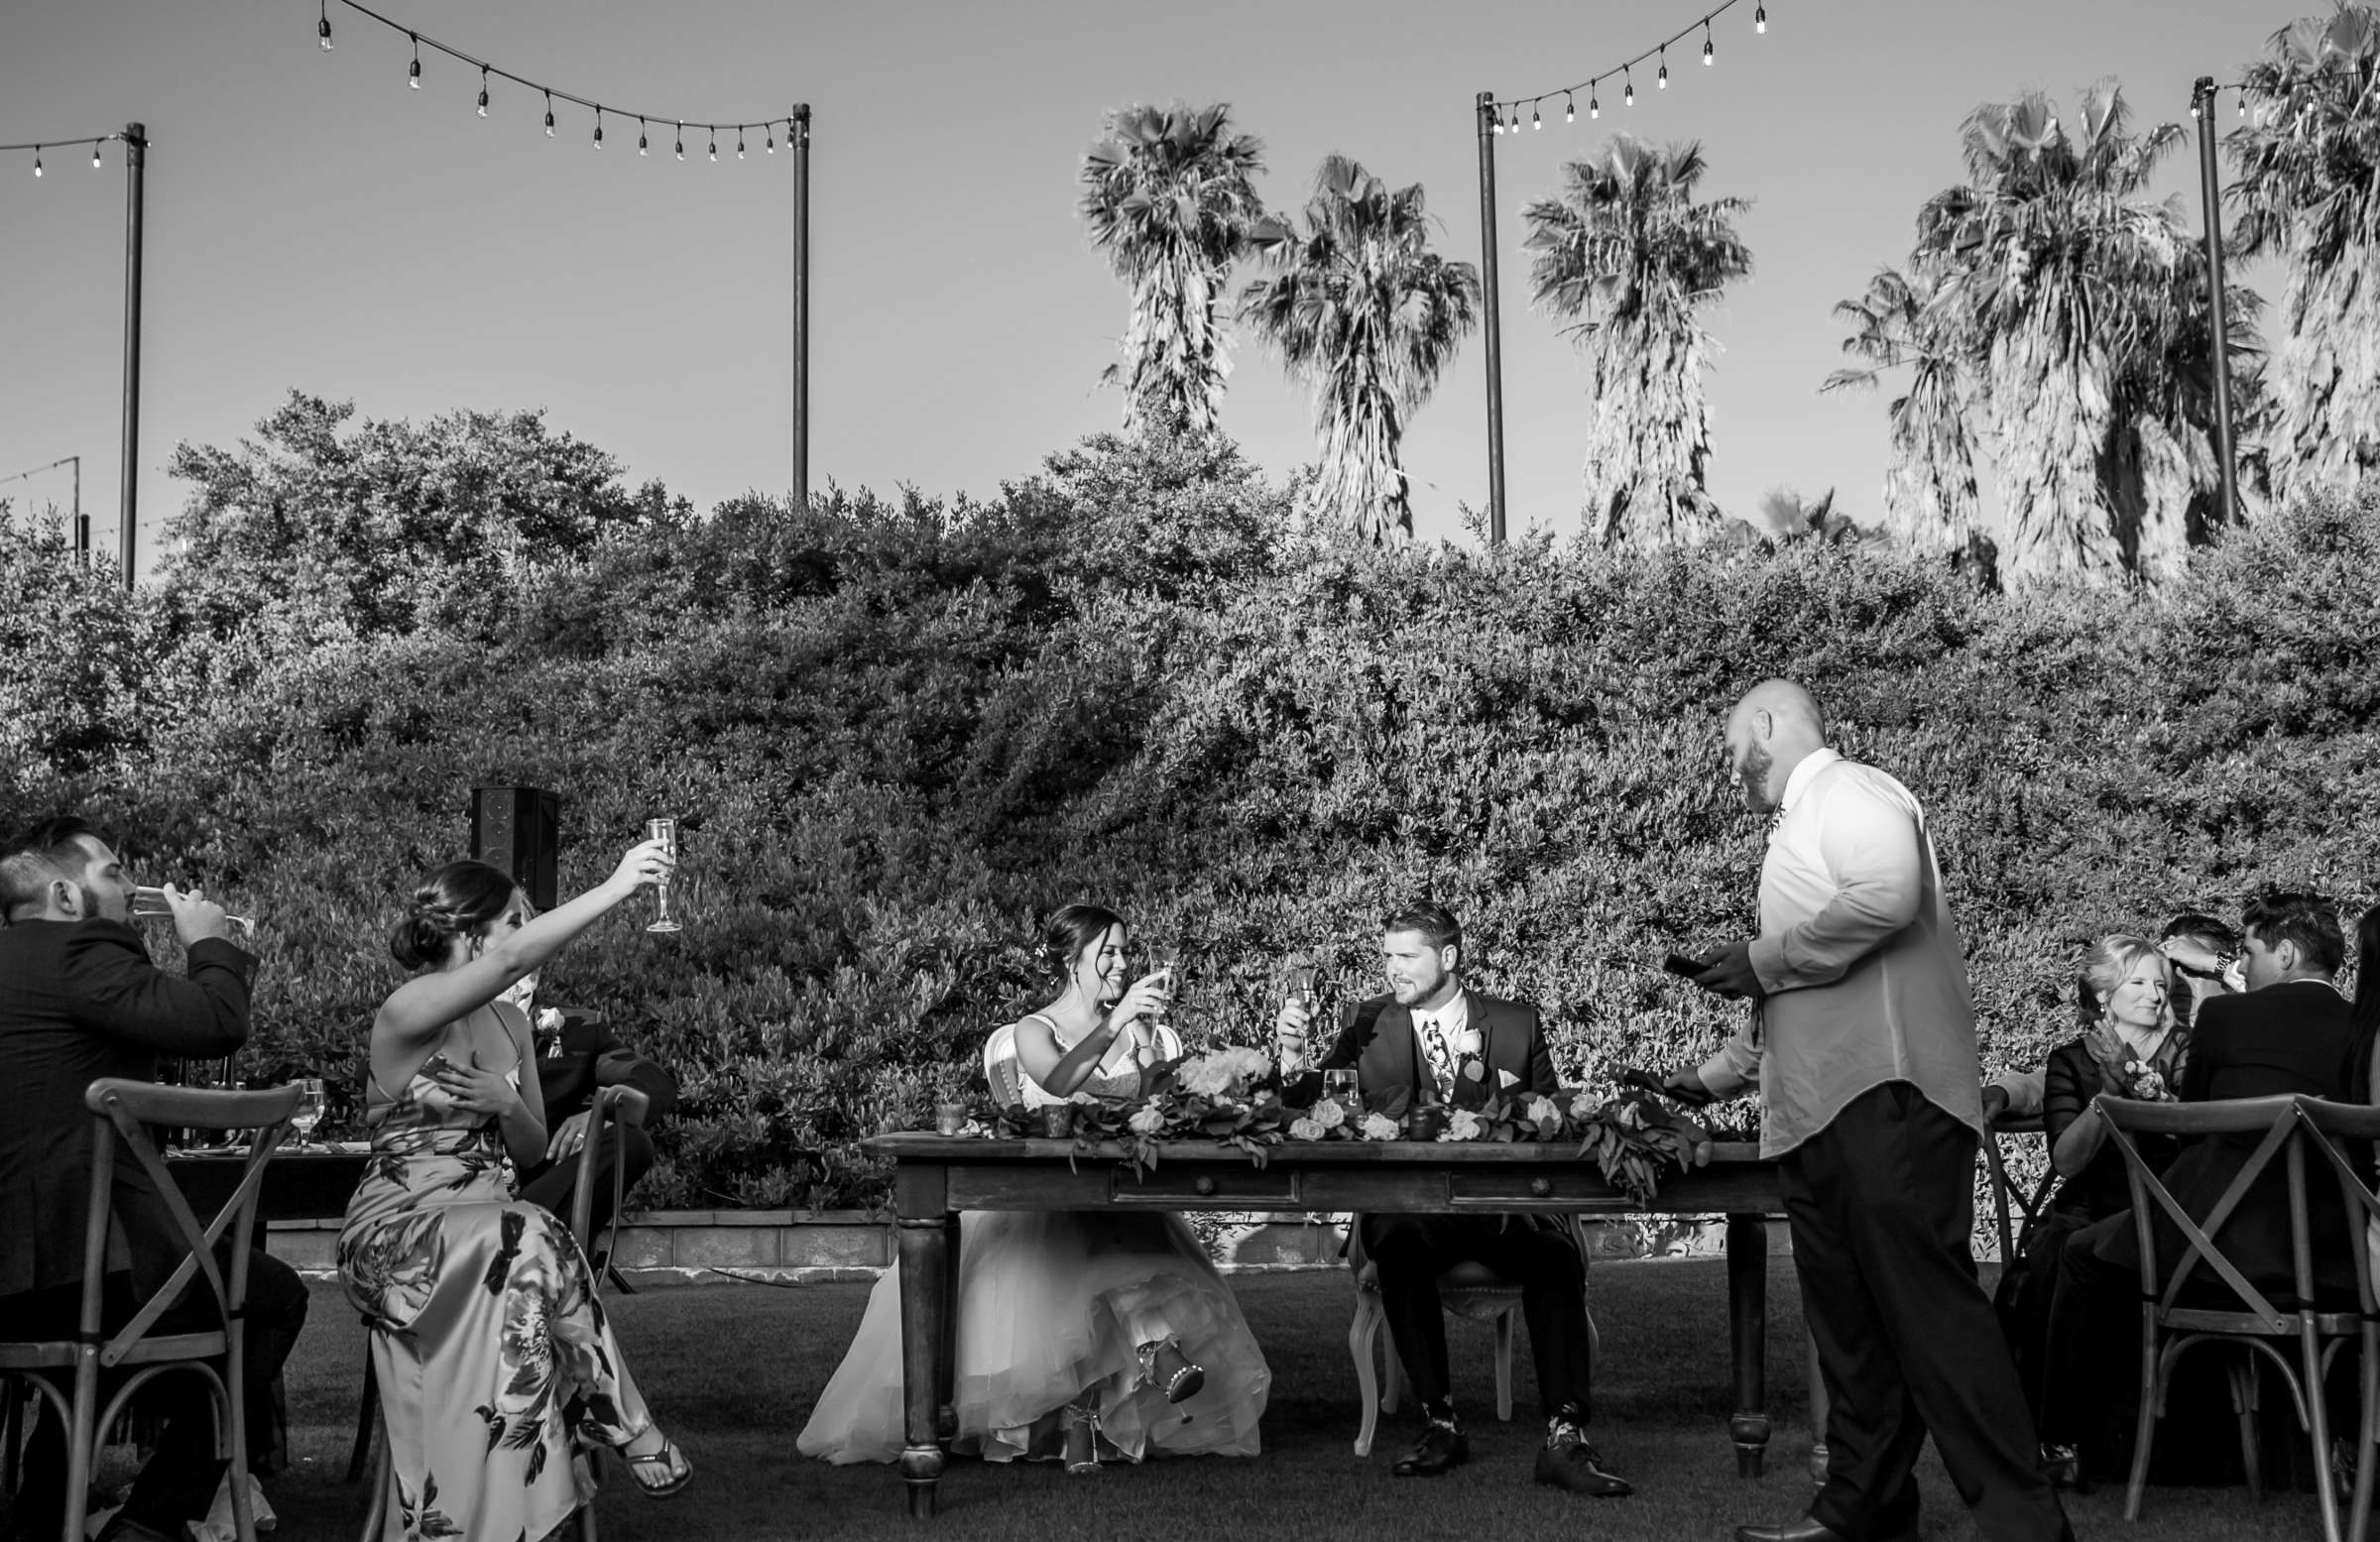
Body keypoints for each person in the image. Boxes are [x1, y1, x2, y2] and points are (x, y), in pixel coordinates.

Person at [1671, 681, 2070, 1542]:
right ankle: (1865, 1512)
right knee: (1851, 1331)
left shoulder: (1851, 791)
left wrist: (1761, 955)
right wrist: (1706, 1078)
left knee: (1932, 1316)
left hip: (1886, 1099)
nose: (1729, 765)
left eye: (1732, 742)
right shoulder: (1799, 831)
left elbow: (1886, 896)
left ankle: (2024, 1525)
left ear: (1769, 725)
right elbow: (1797, 990)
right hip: (1818, 1113)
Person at [798, 904, 1270, 1472]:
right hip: (1038, 1194)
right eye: (1109, 953)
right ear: (1073, 961)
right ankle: (1146, 1360)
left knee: (1125, 1237)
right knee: (1082, 1245)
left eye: (1125, 951)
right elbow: (1059, 1081)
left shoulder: (1138, 1027)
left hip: (1116, 1182)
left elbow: (1157, 1106)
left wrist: (1153, 1062)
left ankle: (1099, 1407)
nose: (1123, 963)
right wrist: (1116, 1022)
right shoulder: (1033, 1029)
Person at [339, 846, 693, 1542]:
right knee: (529, 1231)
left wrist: (504, 1100)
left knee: (528, 1238)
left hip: (488, 1223)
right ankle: (618, 1416)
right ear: (470, 934)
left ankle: (523, 1514)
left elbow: (530, 1151)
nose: (528, 936)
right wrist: (618, 887)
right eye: (516, 921)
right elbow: (504, 966)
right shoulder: (408, 1007)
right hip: (398, 1233)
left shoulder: (508, 1025)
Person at [0, 816, 310, 1542]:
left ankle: (47, 1515)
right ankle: (149, 1521)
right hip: (77, 1274)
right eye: (112, 872)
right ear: (64, 894)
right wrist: (209, 940)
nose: (132, 885)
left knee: (112, 1341)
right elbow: (215, 1022)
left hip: (18, 1281)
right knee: (269, 1301)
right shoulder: (81, 948)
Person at [1274, 900, 1631, 1498]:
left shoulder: (1517, 1024)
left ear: (1448, 957)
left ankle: (1566, 1439)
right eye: (1387, 955)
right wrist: (1290, 1057)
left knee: (1555, 1255)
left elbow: (1550, 1122)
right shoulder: (1364, 1022)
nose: (1392, 969)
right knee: (1399, 1243)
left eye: (1406, 956)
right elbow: (1312, 1107)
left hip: (1503, 1211)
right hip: (1407, 1211)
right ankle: (1440, 1425)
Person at [2036, 891, 2359, 1476]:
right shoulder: (2364, 1028)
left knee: (2081, 1254)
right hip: (2341, 1263)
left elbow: (2198, 1128)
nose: (2244, 969)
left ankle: (2060, 1441)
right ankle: (2342, 1449)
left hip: (2223, 1254)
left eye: (2251, 953)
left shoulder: (2224, 1019)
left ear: (2284, 954)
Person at [1996, 937, 2188, 1427]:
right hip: (2090, 1205)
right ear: (2104, 994)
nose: (2155, 994)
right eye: (2139, 982)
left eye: (2161, 984)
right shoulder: (2069, 1061)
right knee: (2062, 1242)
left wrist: (2151, 1095)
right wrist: (2107, 1095)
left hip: (2169, 1205)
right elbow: (2066, 1161)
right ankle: (2061, 1430)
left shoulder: (2186, 1050)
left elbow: (2194, 1135)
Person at [505, 973, 677, 1245]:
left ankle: (527, 1238)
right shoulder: (446, 1021)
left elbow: (651, 1077)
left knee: (632, 1142)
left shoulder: (580, 1027)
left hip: (540, 1192)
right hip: (460, 1187)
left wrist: (601, 1115)